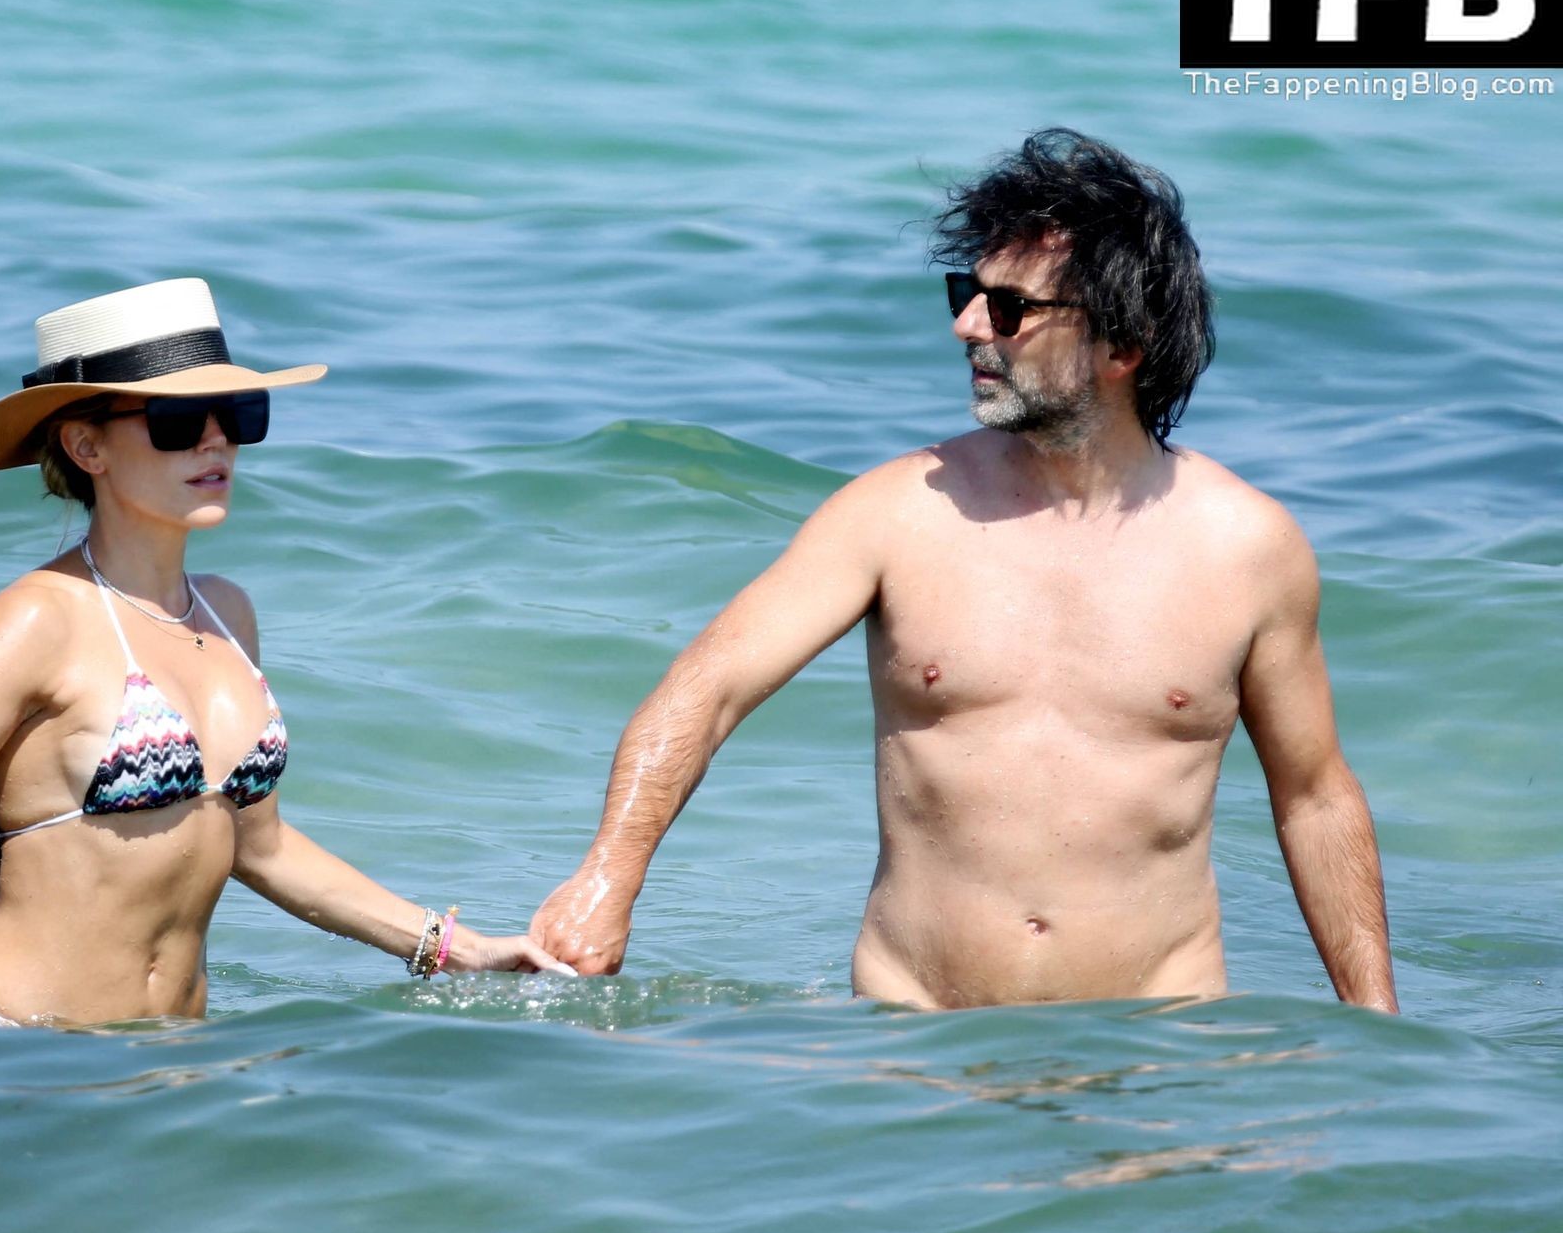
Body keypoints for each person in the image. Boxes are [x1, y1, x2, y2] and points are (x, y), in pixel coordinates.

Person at [531, 130, 1398, 1013]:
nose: (968, 326)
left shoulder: (1245, 546)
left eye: (1010, 308)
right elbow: (706, 688)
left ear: (1123, 345)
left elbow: (1314, 797)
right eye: (967, 293)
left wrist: (1380, 1033)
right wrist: (606, 879)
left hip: (1154, 1044)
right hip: (917, 1042)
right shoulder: (895, 513)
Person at [0, 278, 569, 1026]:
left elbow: (260, 846)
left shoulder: (227, 615)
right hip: (11, 1051)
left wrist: (456, 949)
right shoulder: (36, 620)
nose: (216, 440)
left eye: (238, 413)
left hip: (175, 1058)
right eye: (179, 420)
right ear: (86, 446)